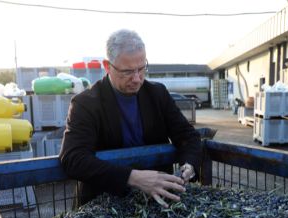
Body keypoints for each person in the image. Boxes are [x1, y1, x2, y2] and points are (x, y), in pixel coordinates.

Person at [59, 29, 202, 208]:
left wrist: (188, 166)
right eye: (127, 72)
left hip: (156, 202)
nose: (137, 79)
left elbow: (187, 136)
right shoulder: (85, 103)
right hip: (103, 205)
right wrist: (132, 177)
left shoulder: (157, 94)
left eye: (141, 69)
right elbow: (73, 158)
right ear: (107, 66)